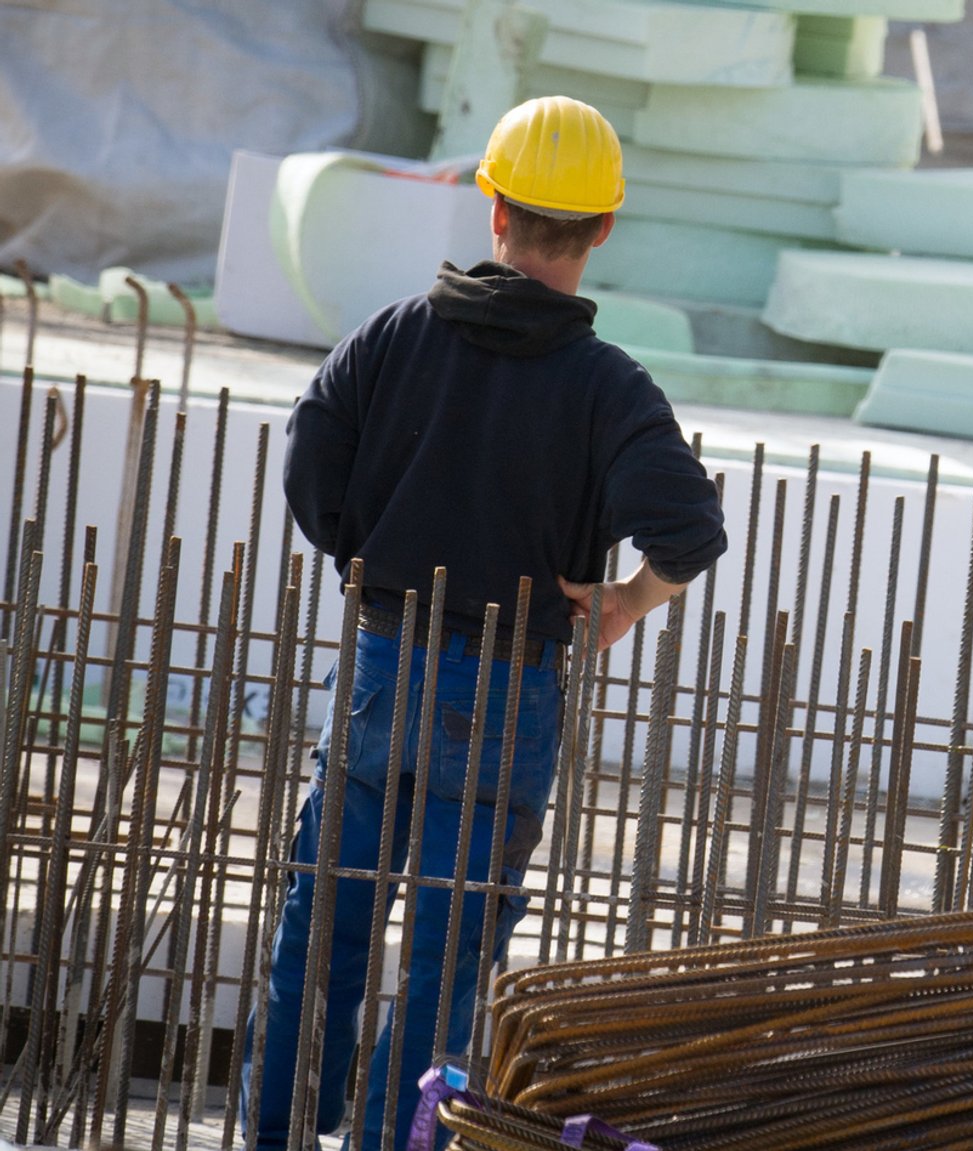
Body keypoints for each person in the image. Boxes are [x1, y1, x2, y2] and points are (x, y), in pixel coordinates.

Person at [244, 96, 727, 1151]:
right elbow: (689, 529)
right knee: (448, 956)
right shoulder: (609, 390)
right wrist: (625, 602)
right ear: (602, 228)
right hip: (507, 688)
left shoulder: (391, 338)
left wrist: (370, 566)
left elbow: (308, 465)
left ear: (492, 206)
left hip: (383, 661)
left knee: (323, 923)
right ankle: (388, 1140)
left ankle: (277, 1133)